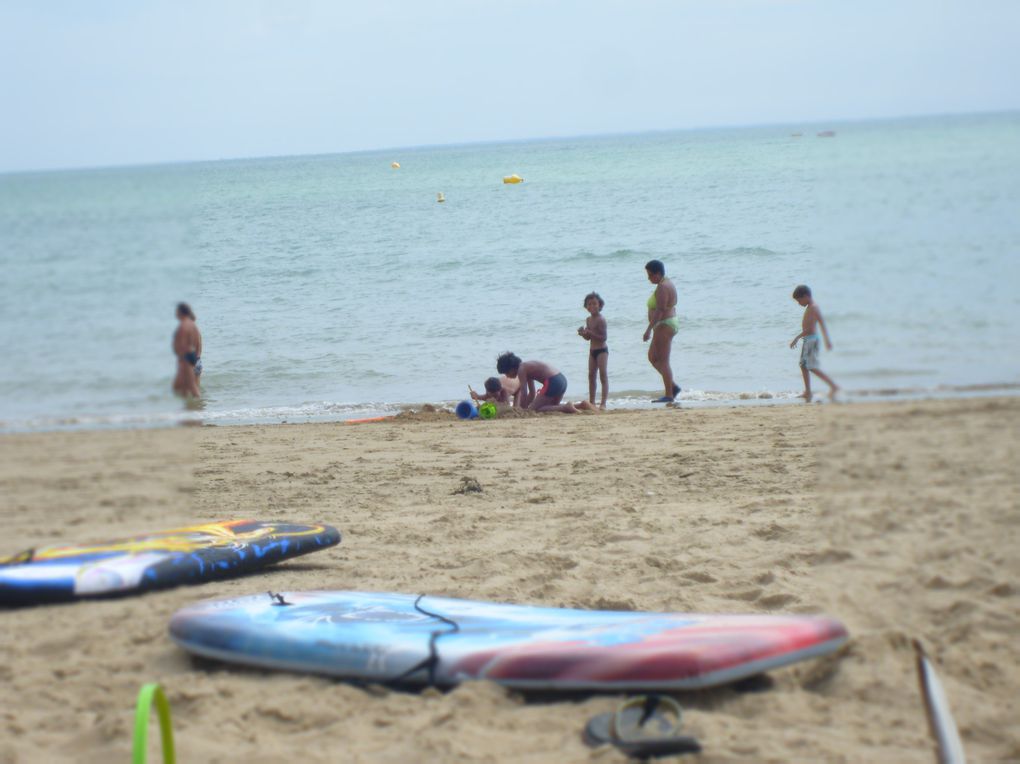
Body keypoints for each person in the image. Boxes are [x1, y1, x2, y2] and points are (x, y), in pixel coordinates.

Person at [495, 352, 597, 414]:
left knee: (536, 410)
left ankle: (567, 407)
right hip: (561, 380)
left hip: (552, 382)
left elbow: (524, 392)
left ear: (511, 368)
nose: (507, 376)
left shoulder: (521, 369)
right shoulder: (526, 367)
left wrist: (522, 409)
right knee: (552, 407)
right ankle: (581, 405)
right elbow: (531, 392)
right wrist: (525, 407)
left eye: (506, 373)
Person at [790, 285, 839, 401]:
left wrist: (797, 337)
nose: (799, 303)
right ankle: (808, 392)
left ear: (806, 296)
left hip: (811, 340)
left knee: (812, 367)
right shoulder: (811, 307)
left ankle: (834, 386)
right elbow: (822, 323)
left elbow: (811, 329)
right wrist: (827, 340)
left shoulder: (813, 308)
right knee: (803, 365)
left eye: (799, 300)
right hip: (808, 340)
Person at [642, 260, 681, 402]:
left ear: (658, 274)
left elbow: (660, 310)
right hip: (665, 323)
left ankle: (669, 394)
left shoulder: (663, 287)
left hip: (664, 324)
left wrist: (648, 330)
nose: (649, 278)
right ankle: (672, 386)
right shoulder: (665, 283)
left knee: (663, 361)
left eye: (650, 275)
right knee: (652, 357)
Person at [577, 292, 608, 409]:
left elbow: (603, 337)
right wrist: (583, 334)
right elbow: (588, 338)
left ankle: (603, 403)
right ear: (586, 307)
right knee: (591, 375)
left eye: (595, 304)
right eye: (589, 304)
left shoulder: (601, 320)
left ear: (600, 305)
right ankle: (592, 402)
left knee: (603, 375)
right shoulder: (588, 320)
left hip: (602, 351)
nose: (592, 306)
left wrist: (590, 333)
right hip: (592, 351)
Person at [172, 302, 202, 399]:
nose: (175, 314)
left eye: (177, 311)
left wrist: (181, 358)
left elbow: (183, 345)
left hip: (185, 358)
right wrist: (197, 358)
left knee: (192, 387)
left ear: (181, 312)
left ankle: (199, 409)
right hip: (193, 356)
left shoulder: (183, 326)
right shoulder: (192, 325)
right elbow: (198, 343)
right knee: (180, 387)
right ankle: (186, 411)